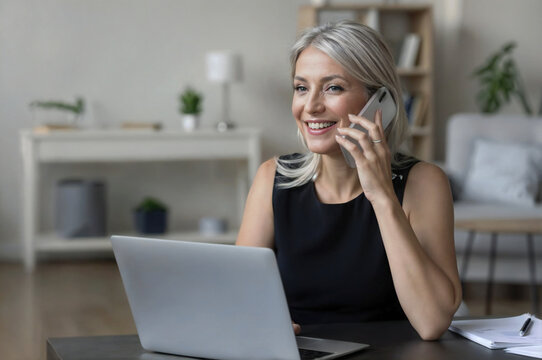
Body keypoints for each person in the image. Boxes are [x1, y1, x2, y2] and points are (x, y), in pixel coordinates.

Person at [236, 21, 461, 341]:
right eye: (302, 88)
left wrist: (382, 196)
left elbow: (432, 322)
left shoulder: (423, 183)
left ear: (380, 102)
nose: (310, 106)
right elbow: (238, 299)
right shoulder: (273, 178)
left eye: (333, 87)